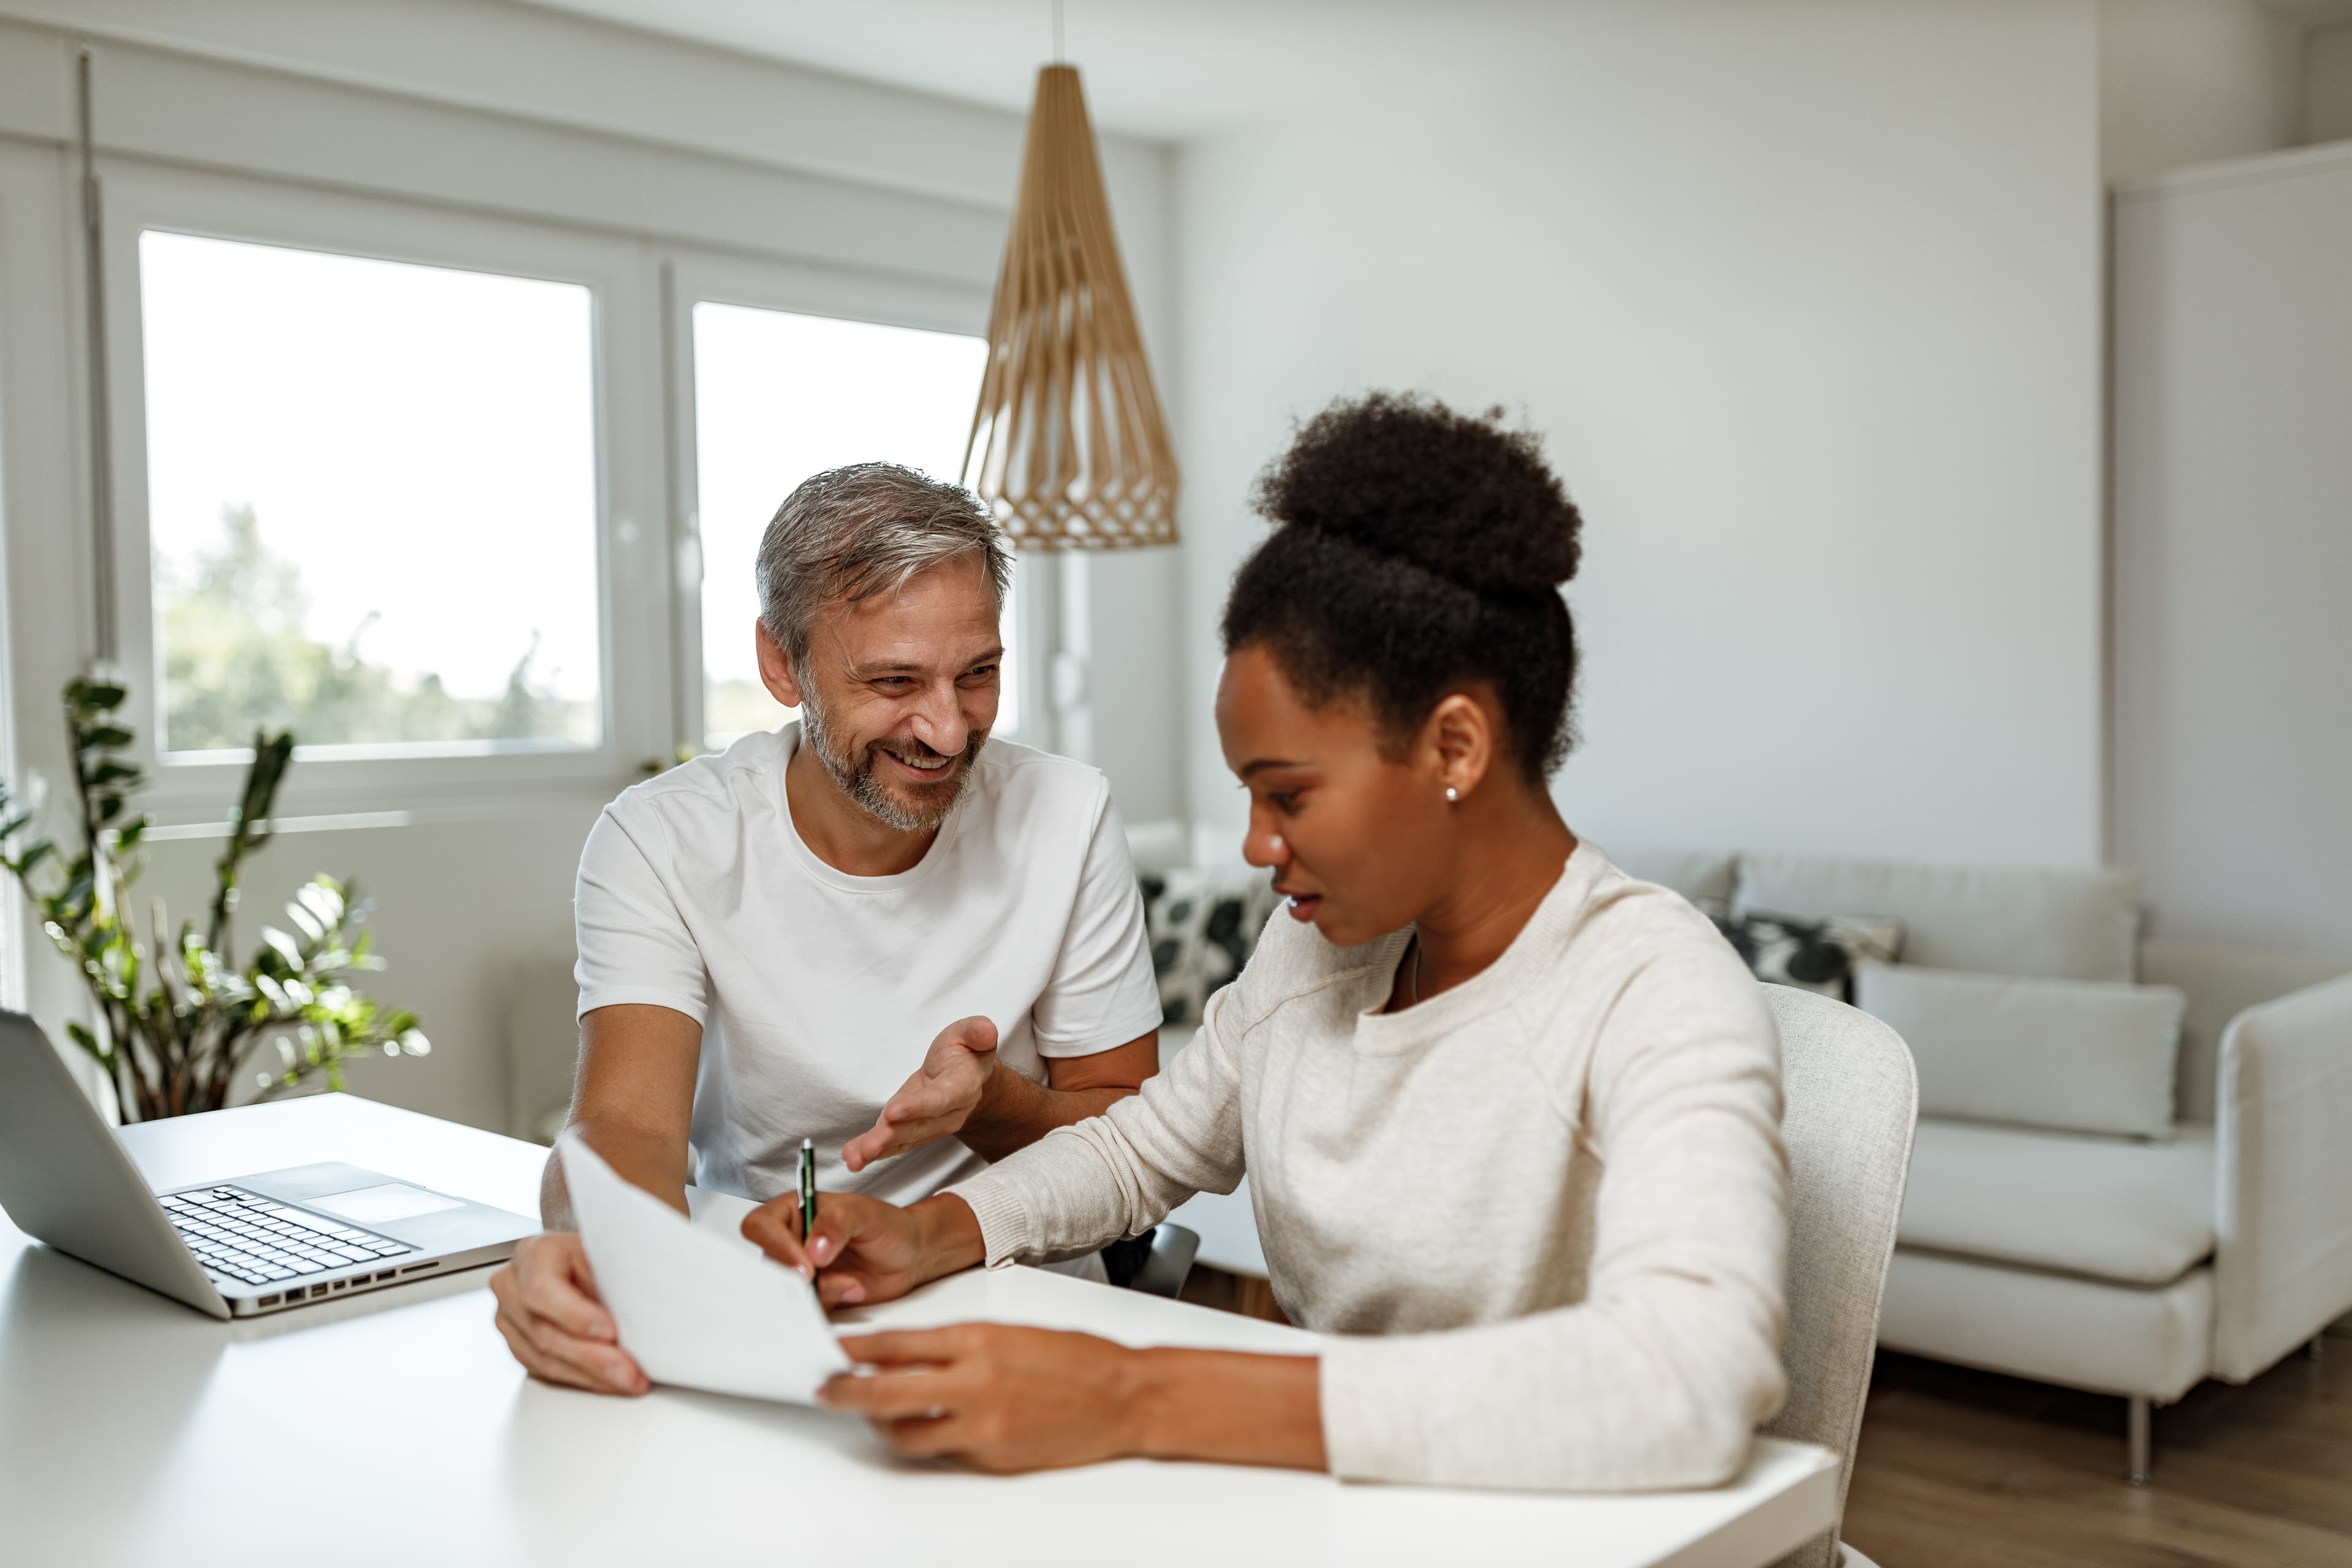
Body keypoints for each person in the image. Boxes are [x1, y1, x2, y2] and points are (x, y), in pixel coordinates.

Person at [747, 394, 1790, 1491]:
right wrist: (935, 1231)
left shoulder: (1654, 988)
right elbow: (1139, 1149)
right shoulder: (1322, 954)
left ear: (1456, 744)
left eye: (1287, 795)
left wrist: (1134, 1393)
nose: (1256, 844)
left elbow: (1692, 1376)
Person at [491, 462, 1164, 1396]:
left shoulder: (1067, 813)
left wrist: (994, 1102)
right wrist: (600, 1252)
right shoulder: (663, 839)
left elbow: (1133, 1137)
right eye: (894, 681)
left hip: (1017, 1306)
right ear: (780, 664)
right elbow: (621, 1128)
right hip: (770, 1311)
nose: (946, 731)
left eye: (978, 675)